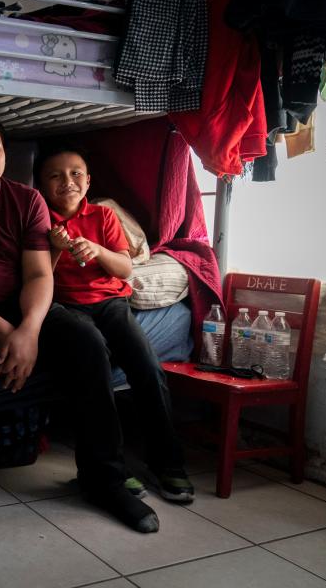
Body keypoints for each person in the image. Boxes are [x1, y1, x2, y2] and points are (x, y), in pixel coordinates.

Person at [0, 110, 160, 549]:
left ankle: (104, 479)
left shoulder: (27, 200)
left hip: (18, 303)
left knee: (86, 340)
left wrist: (30, 330)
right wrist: (8, 332)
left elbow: (41, 277)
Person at [35, 142, 194, 504]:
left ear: (88, 181)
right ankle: (113, 469)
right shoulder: (39, 219)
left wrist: (98, 250)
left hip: (111, 303)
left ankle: (168, 463)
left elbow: (125, 268)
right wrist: (57, 247)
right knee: (94, 364)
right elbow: (35, 275)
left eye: (76, 174)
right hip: (65, 307)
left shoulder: (103, 217)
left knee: (148, 367)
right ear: (41, 184)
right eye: (55, 176)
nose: (67, 182)